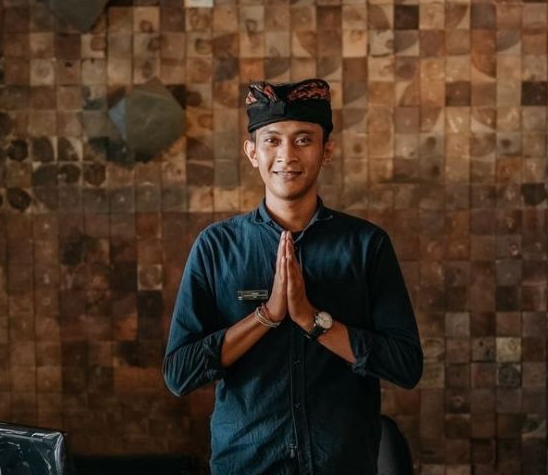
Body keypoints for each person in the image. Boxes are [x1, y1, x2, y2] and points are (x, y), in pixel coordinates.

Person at [162, 78, 423, 474]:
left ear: (326, 150)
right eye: (272, 140)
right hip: (246, 465)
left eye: (303, 140)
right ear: (252, 152)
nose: (287, 155)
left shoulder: (366, 246)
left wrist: (313, 321)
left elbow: (405, 366)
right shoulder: (216, 246)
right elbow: (180, 374)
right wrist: (266, 316)